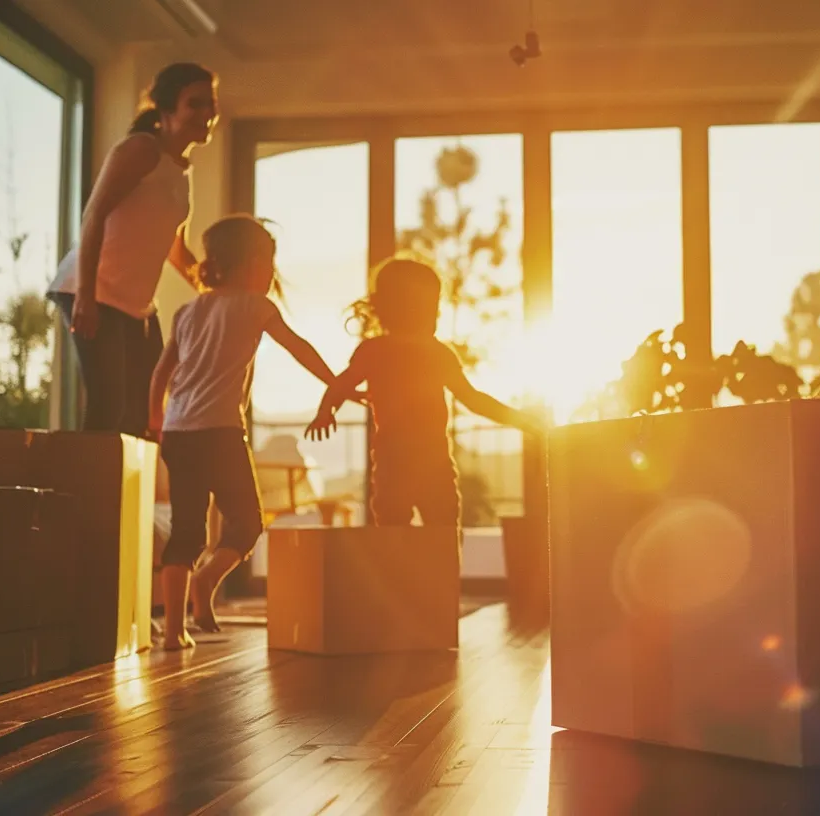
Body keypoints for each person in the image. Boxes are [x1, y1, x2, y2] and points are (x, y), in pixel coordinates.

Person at [148, 215, 339, 650]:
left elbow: (161, 372)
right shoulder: (256, 306)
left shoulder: (187, 311)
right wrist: (335, 382)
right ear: (254, 262)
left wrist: (156, 420)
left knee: (186, 531)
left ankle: (175, 630)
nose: (272, 273)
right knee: (247, 522)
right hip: (220, 432)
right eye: (270, 262)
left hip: (179, 431)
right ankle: (206, 581)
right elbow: (298, 348)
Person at [307, 258, 542, 530]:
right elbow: (472, 398)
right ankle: (430, 571)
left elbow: (340, 385)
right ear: (405, 309)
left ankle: (417, 570)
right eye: (432, 307)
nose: (437, 315)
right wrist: (326, 409)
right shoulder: (411, 353)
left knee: (403, 532)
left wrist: (327, 410)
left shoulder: (390, 352)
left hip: (415, 464)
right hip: (411, 463)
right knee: (428, 533)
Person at [50, 62, 218, 436]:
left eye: (211, 103)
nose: (207, 113)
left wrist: (214, 287)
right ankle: (87, 492)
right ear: (166, 108)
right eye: (195, 103)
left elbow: (174, 246)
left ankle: (122, 492)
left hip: (136, 306)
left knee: (144, 411)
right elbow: (94, 215)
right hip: (92, 289)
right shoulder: (141, 149)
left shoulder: (181, 169)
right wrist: (86, 296)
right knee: (108, 407)